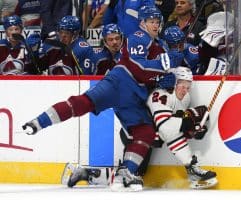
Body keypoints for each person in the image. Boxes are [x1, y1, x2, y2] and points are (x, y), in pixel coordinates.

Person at [22, 5, 183, 191]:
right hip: (119, 82)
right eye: (151, 21)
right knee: (83, 103)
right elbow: (140, 67)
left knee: (145, 132)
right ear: (142, 23)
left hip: (135, 96)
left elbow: (153, 75)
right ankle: (38, 122)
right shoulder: (138, 37)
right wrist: (164, 64)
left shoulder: (159, 46)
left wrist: (163, 80)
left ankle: (126, 173)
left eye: (157, 22)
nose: (155, 25)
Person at [147, 66, 218, 189]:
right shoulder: (160, 95)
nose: (185, 90)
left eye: (188, 87)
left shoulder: (186, 98)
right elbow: (165, 127)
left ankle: (191, 167)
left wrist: (193, 130)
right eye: (182, 86)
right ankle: (191, 167)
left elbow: (176, 126)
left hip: (159, 133)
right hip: (141, 134)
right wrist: (189, 122)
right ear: (174, 83)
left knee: (195, 115)